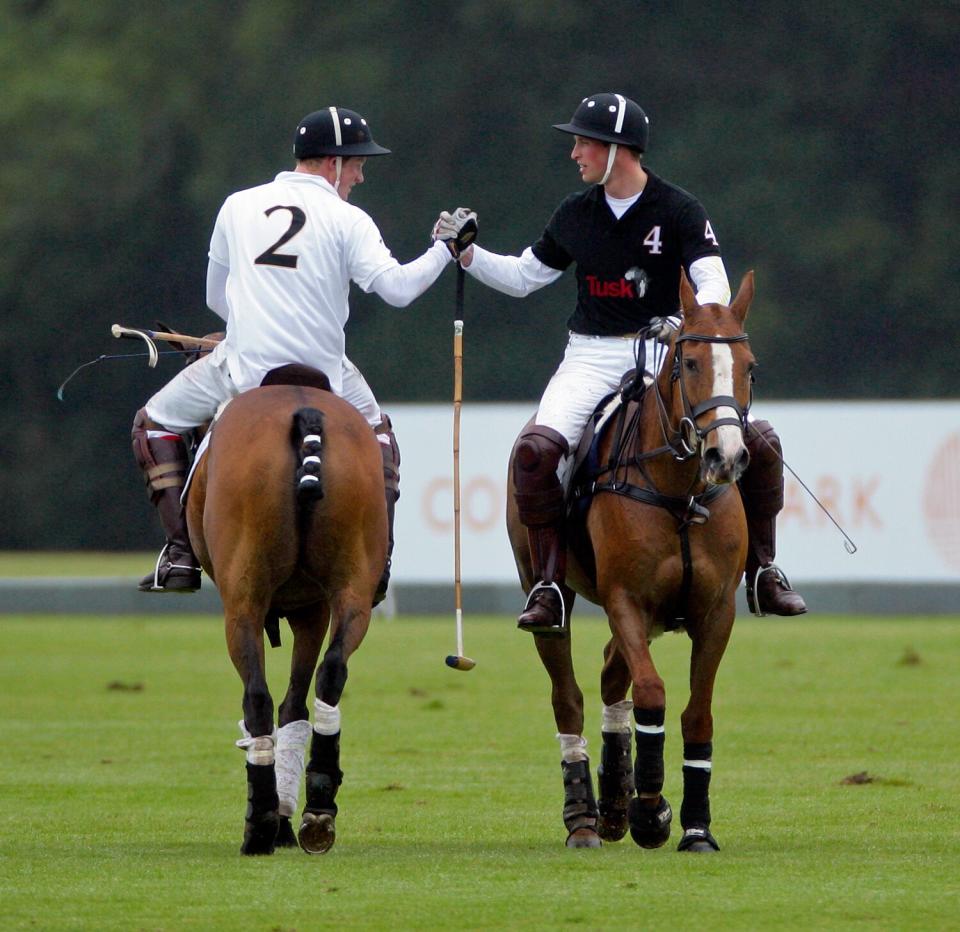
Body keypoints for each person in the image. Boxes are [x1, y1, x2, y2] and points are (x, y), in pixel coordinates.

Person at [454, 92, 807, 633]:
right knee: (536, 452)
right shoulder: (575, 214)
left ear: (617, 150)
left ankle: (762, 569)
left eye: (583, 143)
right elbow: (526, 276)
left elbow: (711, 275)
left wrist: (692, 323)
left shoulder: (678, 208)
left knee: (758, 441)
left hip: (668, 354)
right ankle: (549, 582)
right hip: (590, 356)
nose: (575, 153)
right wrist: (468, 255)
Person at [132, 106, 475, 601]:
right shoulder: (348, 218)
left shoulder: (237, 205)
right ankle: (378, 561)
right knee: (380, 439)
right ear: (331, 163)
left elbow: (215, 297)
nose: (360, 176)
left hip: (242, 369)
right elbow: (398, 290)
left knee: (152, 423)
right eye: (356, 164)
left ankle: (181, 552)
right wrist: (443, 249)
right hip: (327, 374)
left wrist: (252, 321)